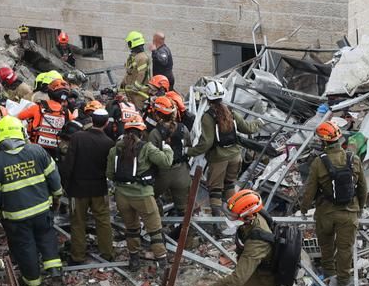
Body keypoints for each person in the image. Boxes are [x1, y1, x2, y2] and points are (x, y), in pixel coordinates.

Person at [0, 116, 63, 286]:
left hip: (16, 217)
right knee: (47, 236)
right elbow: (53, 177)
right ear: (21, 132)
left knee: (25, 247)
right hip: (42, 209)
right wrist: (57, 195)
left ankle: (33, 282)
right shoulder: (37, 151)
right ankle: (54, 268)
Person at [301, 121, 367, 286]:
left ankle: (329, 273)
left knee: (326, 245)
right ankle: (343, 284)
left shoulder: (318, 162)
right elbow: (362, 188)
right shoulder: (354, 159)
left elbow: (309, 191)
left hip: (325, 214)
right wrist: (359, 208)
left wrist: (303, 208)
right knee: (345, 249)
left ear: (323, 142)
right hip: (348, 213)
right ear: (339, 138)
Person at [187, 79, 258, 225]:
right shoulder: (230, 111)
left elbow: (206, 143)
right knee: (230, 185)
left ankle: (218, 225)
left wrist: (190, 151)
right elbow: (248, 128)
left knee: (216, 191)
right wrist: (261, 122)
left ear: (207, 98)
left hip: (219, 158)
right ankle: (237, 218)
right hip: (235, 156)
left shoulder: (208, 116)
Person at [108, 112, 173, 271]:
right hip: (143, 196)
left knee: (131, 229)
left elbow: (109, 174)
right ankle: (162, 263)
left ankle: (134, 260)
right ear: (141, 131)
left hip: (122, 196)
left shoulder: (115, 150)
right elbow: (166, 162)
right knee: (155, 229)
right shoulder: (146, 148)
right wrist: (167, 148)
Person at [59, 108, 116, 264]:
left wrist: (65, 184)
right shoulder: (109, 143)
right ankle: (107, 253)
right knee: (103, 220)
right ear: (105, 123)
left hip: (77, 189)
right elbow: (109, 169)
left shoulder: (77, 138)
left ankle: (78, 256)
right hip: (99, 188)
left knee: (78, 222)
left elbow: (68, 164)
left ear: (92, 120)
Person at [148, 96, 193, 229]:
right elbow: (188, 146)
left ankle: (159, 230)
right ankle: (187, 239)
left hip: (162, 175)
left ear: (157, 114)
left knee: (151, 200)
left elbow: (151, 157)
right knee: (184, 210)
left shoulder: (154, 133)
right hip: (182, 173)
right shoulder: (183, 128)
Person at [17, 78, 75, 160]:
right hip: (54, 152)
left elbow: (19, 117)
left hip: (35, 150)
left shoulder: (37, 107)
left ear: (50, 93)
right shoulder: (66, 112)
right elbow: (74, 121)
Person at [122, 31, 152, 109]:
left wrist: (135, 87)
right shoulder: (134, 56)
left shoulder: (142, 58)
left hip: (139, 94)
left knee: (138, 113)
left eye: (129, 43)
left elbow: (141, 74)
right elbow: (130, 72)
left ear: (133, 43)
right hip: (132, 92)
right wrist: (123, 83)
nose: (128, 45)